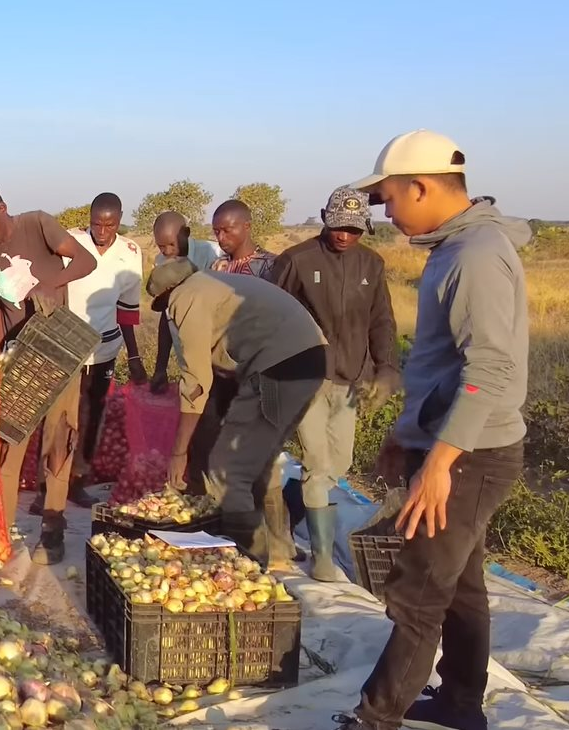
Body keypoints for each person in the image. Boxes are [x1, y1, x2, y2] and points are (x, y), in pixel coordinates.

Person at [335, 131, 531, 730]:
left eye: (390, 198)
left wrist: (441, 464)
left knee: (418, 592)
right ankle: (460, 703)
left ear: (421, 187)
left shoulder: (475, 255)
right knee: (462, 586)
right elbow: (440, 363)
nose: (387, 213)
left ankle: (376, 717)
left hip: (472, 453)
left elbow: (490, 367)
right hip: (453, 442)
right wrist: (405, 434)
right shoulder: (453, 249)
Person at [145, 258, 327, 568]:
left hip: (280, 368)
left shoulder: (187, 296)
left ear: (167, 293)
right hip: (308, 359)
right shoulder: (212, 283)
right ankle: (280, 547)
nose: (167, 312)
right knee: (258, 458)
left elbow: (196, 382)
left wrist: (179, 452)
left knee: (229, 467)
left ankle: (248, 562)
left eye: (163, 304)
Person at [271, 186, 400, 583]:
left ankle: (292, 506)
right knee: (318, 460)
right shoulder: (297, 260)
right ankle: (322, 559)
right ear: (326, 219)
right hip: (308, 376)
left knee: (338, 464)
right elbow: (273, 315)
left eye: (354, 229)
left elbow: (381, 320)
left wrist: (386, 367)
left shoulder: (371, 265)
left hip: (352, 378)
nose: (345, 235)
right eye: (338, 226)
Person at [0, 182, 97, 564]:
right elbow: (0, 312)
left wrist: (51, 286)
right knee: (8, 448)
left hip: (59, 351)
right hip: (19, 359)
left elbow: (87, 262)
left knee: (58, 442)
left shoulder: (38, 225)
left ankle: (51, 535)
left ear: (3, 208)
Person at [64, 193, 148, 493]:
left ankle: (79, 478)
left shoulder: (130, 251)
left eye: (109, 225)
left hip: (105, 346)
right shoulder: (71, 242)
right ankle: (52, 483)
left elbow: (127, 309)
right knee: (62, 416)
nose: (101, 232)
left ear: (120, 220)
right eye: (96, 224)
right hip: (67, 344)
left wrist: (135, 357)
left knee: (93, 411)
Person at [149, 211, 221, 392]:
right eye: (160, 246)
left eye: (171, 244)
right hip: (188, 360)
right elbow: (167, 316)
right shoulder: (161, 262)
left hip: (216, 357)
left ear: (186, 233)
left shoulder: (213, 254)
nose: (167, 251)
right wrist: (160, 368)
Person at [209, 199, 278, 278]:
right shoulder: (217, 265)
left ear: (247, 226)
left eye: (227, 230)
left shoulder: (271, 266)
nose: (220, 238)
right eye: (217, 232)